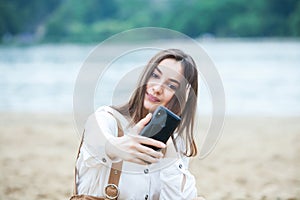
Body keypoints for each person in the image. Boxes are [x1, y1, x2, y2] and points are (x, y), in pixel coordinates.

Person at [75, 49, 200, 199]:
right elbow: (96, 139)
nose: (157, 88)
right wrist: (116, 147)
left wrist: (170, 147)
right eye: (155, 76)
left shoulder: (176, 143)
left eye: (172, 86)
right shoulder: (107, 119)